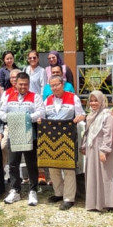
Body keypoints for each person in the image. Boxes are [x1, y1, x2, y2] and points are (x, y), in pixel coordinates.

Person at [0, 72, 45, 205]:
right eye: (21, 84)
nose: (23, 86)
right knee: (13, 163)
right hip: (13, 133)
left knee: (31, 163)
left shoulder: (35, 96)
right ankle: (15, 190)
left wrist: (26, 118)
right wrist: (12, 119)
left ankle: (33, 190)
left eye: (26, 84)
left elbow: (41, 112)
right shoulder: (8, 96)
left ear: (29, 84)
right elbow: (1, 112)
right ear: (16, 84)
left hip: (29, 133)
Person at [41, 75, 86, 210]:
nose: (55, 88)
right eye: (52, 85)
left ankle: (68, 198)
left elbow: (82, 114)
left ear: (62, 84)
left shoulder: (73, 98)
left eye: (57, 85)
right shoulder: (47, 100)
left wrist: (79, 118)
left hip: (68, 137)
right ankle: (58, 193)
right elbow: (43, 116)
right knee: (53, 167)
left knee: (68, 168)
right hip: (51, 138)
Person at [82, 90, 113, 212]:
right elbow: (87, 132)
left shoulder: (106, 115)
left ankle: (107, 203)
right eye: (91, 101)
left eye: (96, 100)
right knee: (93, 173)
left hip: (102, 148)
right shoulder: (91, 115)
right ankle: (94, 203)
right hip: (92, 148)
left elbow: (108, 134)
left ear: (102, 101)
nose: (93, 103)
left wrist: (104, 150)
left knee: (105, 174)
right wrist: (84, 146)